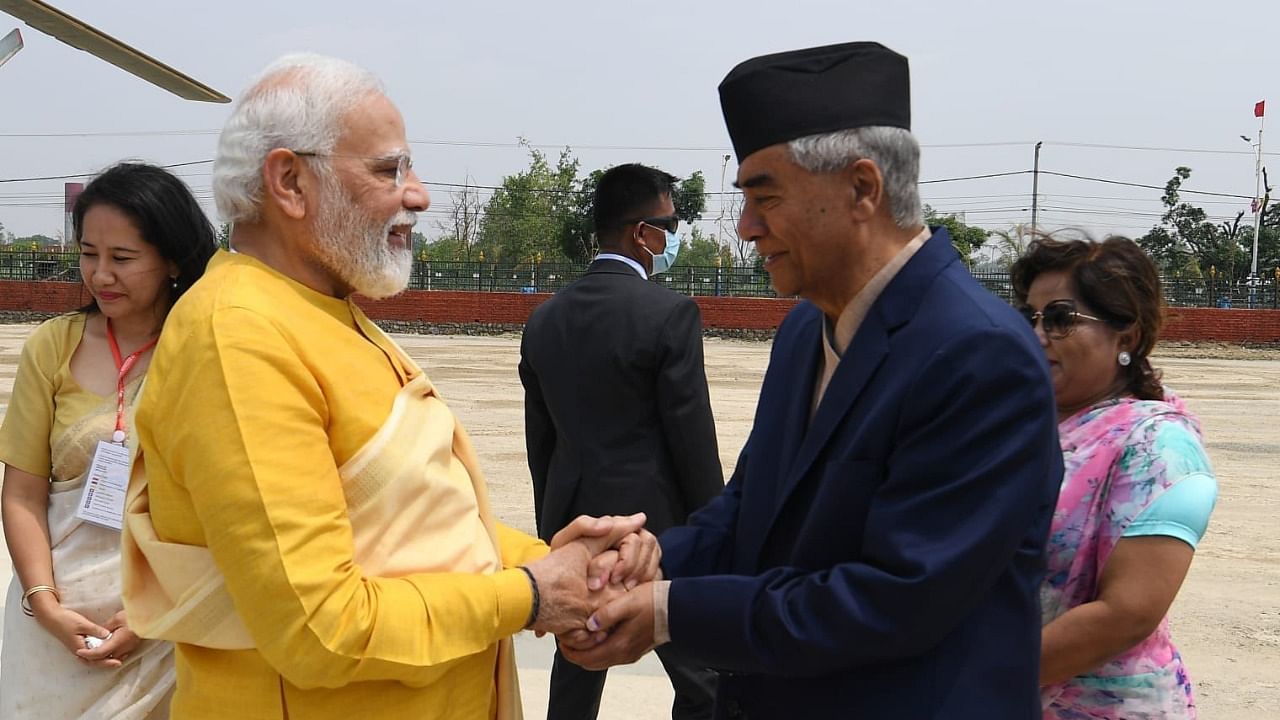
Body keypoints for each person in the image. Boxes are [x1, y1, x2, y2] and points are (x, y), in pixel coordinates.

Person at [118, 54, 656, 720]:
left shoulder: (321, 310)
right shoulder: (239, 337)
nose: (419, 194)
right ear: (289, 181)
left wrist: (563, 562)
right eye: (388, 169)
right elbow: (321, 630)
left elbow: (417, 527)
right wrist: (533, 595)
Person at [558, 41, 1064, 719]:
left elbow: (893, 599)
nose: (746, 227)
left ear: (862, 189)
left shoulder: (977, 356)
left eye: (765, 196)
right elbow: (750, 513)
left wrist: (667, 609)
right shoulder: (806, 330)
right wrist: (643, 559)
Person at [0, 162, 218, 718]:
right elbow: (22, 493)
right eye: (88, 254)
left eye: (122, 258)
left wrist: (158, 610)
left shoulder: (209, 352)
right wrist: (44, 605)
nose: (100, 275)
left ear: (172, 258)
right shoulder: (54, 346)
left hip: (170, 624)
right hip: (55, 629)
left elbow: (225, 506)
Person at [520, 163, 722, 720]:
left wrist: (554, 532)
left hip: (575, 525)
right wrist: (713, 532)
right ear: (641, 232)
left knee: (579, 659)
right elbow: (692, 439)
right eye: (670, 224)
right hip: (656, 529)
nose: (675, 237)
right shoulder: (669, 314)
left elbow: (542, 446)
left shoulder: (544, 320)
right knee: (699, 671)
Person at [1010, 235, 1217, 719]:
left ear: (1126, 335)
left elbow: (1126, 615)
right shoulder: (1018, 427)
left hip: (1100, 706)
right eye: (1029, 318)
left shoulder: (1157, 446)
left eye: (1060, 319)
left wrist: (975, 671)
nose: (1038, 335)